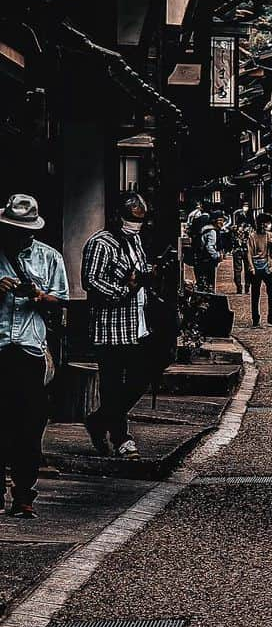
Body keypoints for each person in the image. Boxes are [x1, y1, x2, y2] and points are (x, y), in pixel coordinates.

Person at [0, 194, 68, 518]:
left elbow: (62, 300)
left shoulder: (48, 258)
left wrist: (39, 295)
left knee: (29, 427)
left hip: (30, 350)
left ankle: (24, 494)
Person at [82, 193, 157, 459]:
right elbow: (91, 282)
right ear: (117, 216)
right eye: (131, 219)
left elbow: (139, 271)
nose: (136, 224)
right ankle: (121, 437)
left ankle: (100, 420)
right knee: (113, 384)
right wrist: (126, 288)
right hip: (110, 327)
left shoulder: (134, 240)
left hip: (137, 323)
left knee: (141, 377)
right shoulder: (101, 243)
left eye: (140, 220)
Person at [246, 213, 272, 327]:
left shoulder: (269, 235)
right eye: (262, 223)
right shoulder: (252, 236)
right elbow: (249, 253)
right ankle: (255, 318)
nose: (264, 225)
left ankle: (271, 316)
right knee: (255, 293)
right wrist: (251, 267)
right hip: (256, 265)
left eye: (266, 223)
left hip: (267, 265)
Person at [193, 210, 227, 292]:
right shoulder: (212, 231)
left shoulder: (205, 229)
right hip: (207, 261)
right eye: (220, 220)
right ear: (215, 221)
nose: (222, 223)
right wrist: (217, 255)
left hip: (200, 259)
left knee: (202, 283)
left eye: (222, 220)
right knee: (209, 283)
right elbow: (210, 246)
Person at [231, 202, 254, 295]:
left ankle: (239, 288)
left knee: (237, 269)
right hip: (247, 250)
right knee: (247, 269)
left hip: (237, 250)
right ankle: (247, 288)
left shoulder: (235, 228)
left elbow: (232, 239)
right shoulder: (250, 228)